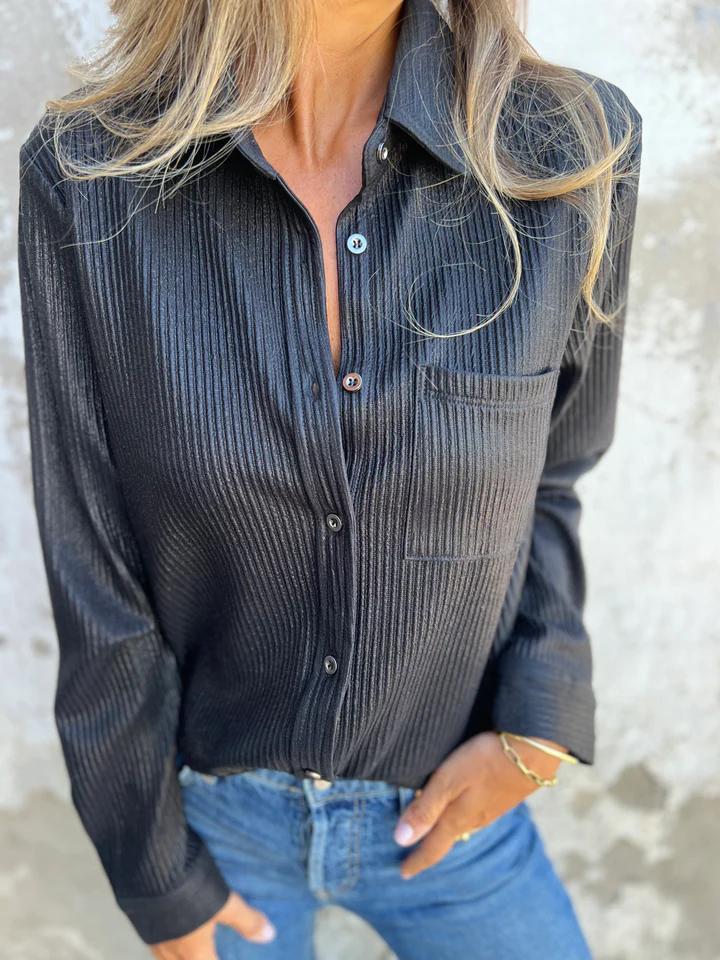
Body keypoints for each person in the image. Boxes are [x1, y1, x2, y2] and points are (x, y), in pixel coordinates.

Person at [17, 0, 642, 957]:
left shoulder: (572, 151)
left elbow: (556, 473)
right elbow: (91, 548)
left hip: (454, 810)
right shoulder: (89, 174)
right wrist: (154, 870)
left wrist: (541, 722)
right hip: (218, 825)